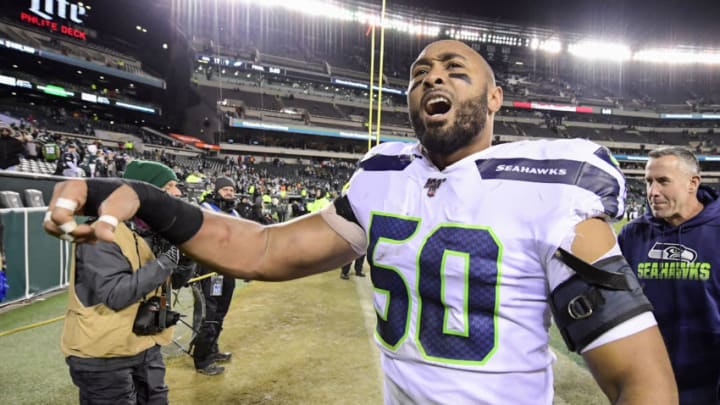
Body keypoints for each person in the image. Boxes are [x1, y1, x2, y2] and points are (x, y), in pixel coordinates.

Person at [44, 40, 678, 404]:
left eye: (457, 71)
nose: (434, 77)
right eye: (420, 74)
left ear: (493, 100)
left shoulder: (552, 183)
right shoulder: (382, 177)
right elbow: (261, 249)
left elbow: (638, 377)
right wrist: (141, 195)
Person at [59, 159, 187, 404]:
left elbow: (178, 282)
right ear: (144, 192)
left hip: (144, 345)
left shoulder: (149, 231)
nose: (177, 193)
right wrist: (167, 261)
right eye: (169, 186)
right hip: (103, 355)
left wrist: (185, 256)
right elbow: (116, 295)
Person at [618, 146, 720, 404]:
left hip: (710, 384)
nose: (653, 192)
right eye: (649, 181)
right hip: (647, 383)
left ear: (692, 183)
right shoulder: (632, 234)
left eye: (663, 181)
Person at [193, 176, 239, 375]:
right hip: (209, 269)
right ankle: (202, 360)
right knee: (209, 314)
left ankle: (212, 349)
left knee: (221, 312)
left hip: (227, 269)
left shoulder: (235, 212)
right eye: (225, 190)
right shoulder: (206, 208)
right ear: (217, 191)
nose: (229, 193)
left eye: (231, 190)